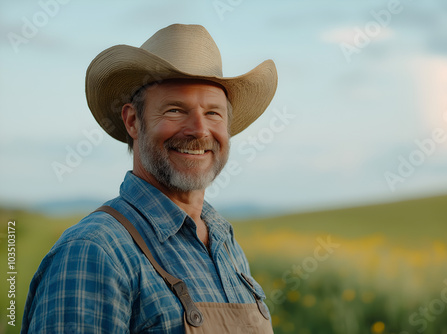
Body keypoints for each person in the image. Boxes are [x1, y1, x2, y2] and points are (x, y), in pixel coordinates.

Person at [22, 24, 277, 333]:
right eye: (175, 110)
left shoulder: (225, 243)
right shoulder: (94, 251)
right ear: (132, 121)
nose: (199, 129)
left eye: (213, 113)